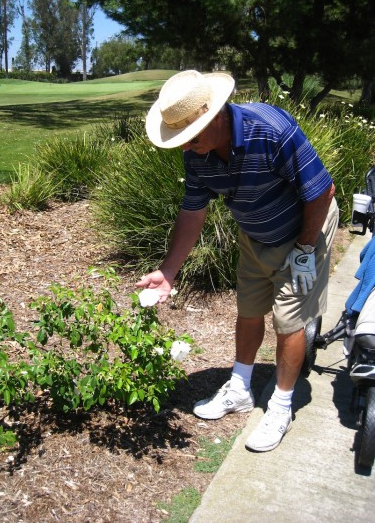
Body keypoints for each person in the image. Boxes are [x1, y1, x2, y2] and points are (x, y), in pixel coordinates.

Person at [136, 70, 338, 452]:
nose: (185, 148)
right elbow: (193, 212)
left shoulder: (270, 129)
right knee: (248, 310)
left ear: (214, 117)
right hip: (255, 233)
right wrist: (168, 271)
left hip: (304, 232)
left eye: (191, 138)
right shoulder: (197, 153)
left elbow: (320, 190)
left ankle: (280, 405)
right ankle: (241, 389)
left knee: (289, 321)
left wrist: (305, 249)